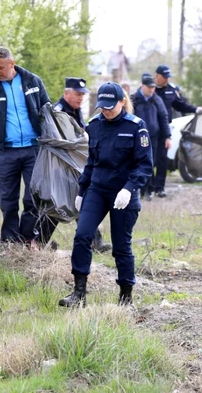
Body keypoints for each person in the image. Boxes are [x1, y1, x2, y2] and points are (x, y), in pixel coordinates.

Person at [59, 82, 153, 308]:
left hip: (123, 194)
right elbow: (91, 162)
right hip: (98, 190)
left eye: (111, 106)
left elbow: (144, 165)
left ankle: (126, 297)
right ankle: (79, 293)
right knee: (82, 235)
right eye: (103, 107)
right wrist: (82, 191)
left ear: (122, 102)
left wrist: (129, 189)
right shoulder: (94, 126)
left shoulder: (136, 127)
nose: (107, 111)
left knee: (121, 246)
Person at [0, 46, 50, 244]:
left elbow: (48, 113)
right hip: (5, 152)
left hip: (34, 150)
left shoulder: (33, 82)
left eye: (0, 67)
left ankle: (27, 238)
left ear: (12, 64)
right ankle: (10, 241)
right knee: (7, 200)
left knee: (33, 198)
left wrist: (52, 143)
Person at [34, 77, 111, 253]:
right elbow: (59, 142)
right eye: (77, 94)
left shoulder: (76, 110)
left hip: (75, 167)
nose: (81, 98)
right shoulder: (58, 113)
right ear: (66, 93)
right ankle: (37, 242)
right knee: (56, 204)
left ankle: (94, 242)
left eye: (83, 95)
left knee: (83, 201)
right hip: (59, 167)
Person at [153, 64, 202, 198]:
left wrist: (195, 109)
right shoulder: (150, 89)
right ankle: (148, 188)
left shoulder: (171, 90)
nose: (166, 80)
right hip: (150, 130)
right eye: (164, 77)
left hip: (164, 130)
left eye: (168, 77)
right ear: (157, 76)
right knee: (149, 159)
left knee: (162, 160)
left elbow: (180, 104)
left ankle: (159, 188)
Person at [132, 73, 171, 200]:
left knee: (152, 162)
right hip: (138, 138)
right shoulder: (134, 99)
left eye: (153, 87)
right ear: (142, 85)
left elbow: (164, 119)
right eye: (149, 87)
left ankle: (150, 189)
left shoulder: (156, 100)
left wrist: (167, 136)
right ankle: (143, 190)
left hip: (154, 137)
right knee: (141, 163)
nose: (151, 89)